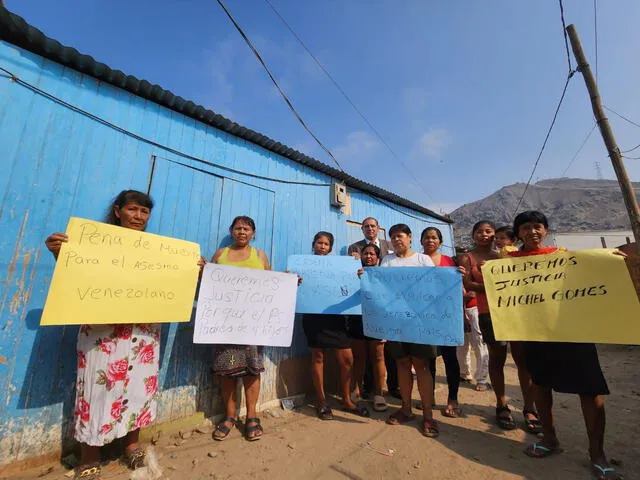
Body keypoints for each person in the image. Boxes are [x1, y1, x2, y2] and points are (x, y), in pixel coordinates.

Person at [45, 190, 202, 480]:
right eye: (133, 210)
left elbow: (169, 284)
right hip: (103, 333)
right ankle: (89, 456)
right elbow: (76, 277)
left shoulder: (157, 251)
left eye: (144, 212)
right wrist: (60, 253)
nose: (139, 217)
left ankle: (131, 446)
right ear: (118, 211)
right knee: (95, 389)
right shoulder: (93, 242)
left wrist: (193, 270)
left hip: (143, 333)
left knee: (139, 388)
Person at [512, 211, 619, 480]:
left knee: (590, 390)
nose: (532, 232)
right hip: (535, 334)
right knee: (541, 386)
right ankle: (550, 440)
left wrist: (612, 262)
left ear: (545, 230)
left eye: (537, 226)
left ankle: (597, 454)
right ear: (519, 234)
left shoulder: (563, 255)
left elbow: (593, 274)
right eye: (525, 228)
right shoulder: (508, 263)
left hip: (573, 332)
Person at [460, 220, 542, 433]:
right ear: (473, 234)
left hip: (515, 312)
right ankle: (502, 405)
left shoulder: (507, 255)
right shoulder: (468, 258)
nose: (484, 235)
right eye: (479, 231)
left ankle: (529, 408)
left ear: (495, 235)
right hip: (489, 313)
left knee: (523, 360)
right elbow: (468, 284)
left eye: (489, 231)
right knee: (497, 359)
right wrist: (494, 286)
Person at [210, 216, 271, 442]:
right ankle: (229, 416)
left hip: (252, 323)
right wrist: (202, 270)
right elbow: (209, 284)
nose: (242, 232)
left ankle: (252, 416)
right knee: (226, 370)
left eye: (246, 229)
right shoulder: (220, 255)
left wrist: (287, 281)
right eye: (238, 228)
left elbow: (271, 284)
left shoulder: (260, 255)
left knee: (251, 369)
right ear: (231, 231)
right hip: (224, 323)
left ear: (253, 233)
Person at [303, 231, 370, 420]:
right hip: (314, 317)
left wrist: (356, 269)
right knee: (318, 357)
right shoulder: (304, 264)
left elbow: (352, 284)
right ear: (314, 244)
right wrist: (295, 279)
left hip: (336, 317)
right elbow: (298, 288)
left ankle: (346, 399)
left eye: (326, 244)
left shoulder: (341, 265)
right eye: (319, 242)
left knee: (347, 359)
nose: (322, 246)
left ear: (330, 247)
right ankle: (321, 400)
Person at [382, 224, 440, 437]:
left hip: (420, 322)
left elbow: (434, 287)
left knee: (422, 365)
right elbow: (382, 288)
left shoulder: (423, 260)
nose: (397, 240)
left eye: (401, 236)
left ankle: (427, 414)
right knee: (402, 363)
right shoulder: (387, 261)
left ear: (410, 238)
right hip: (396, 322)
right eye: (393, 237)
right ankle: (406, 408)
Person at [421, 227, 463, 418]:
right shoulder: (415, 262)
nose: (430, 241)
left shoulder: (450, 262)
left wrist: (461, 278)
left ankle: (453, 399)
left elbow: (461, 291)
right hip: (423, 318)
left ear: (440, 241)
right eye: (427, 238)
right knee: (427, 359)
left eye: (434, 238)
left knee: (450, 359)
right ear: (421, 241)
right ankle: (428, 397)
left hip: (447, 317)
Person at [351, 244, 388, 412]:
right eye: (365, 254)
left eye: (372, 254)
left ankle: (379, 393)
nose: (368, 256)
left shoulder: (385, 275)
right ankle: (356, 389)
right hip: (357, 318)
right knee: (359, 357)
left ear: (378, 257)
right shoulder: (353, 273)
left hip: (378, 319)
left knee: (378, 356)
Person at [456, 287, 490, 391]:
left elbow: (473, 293)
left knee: (479, 344)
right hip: (457, 308)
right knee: (461, 344)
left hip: (475, 308)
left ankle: (481, 379)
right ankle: (464, 373)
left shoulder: (474, 271)